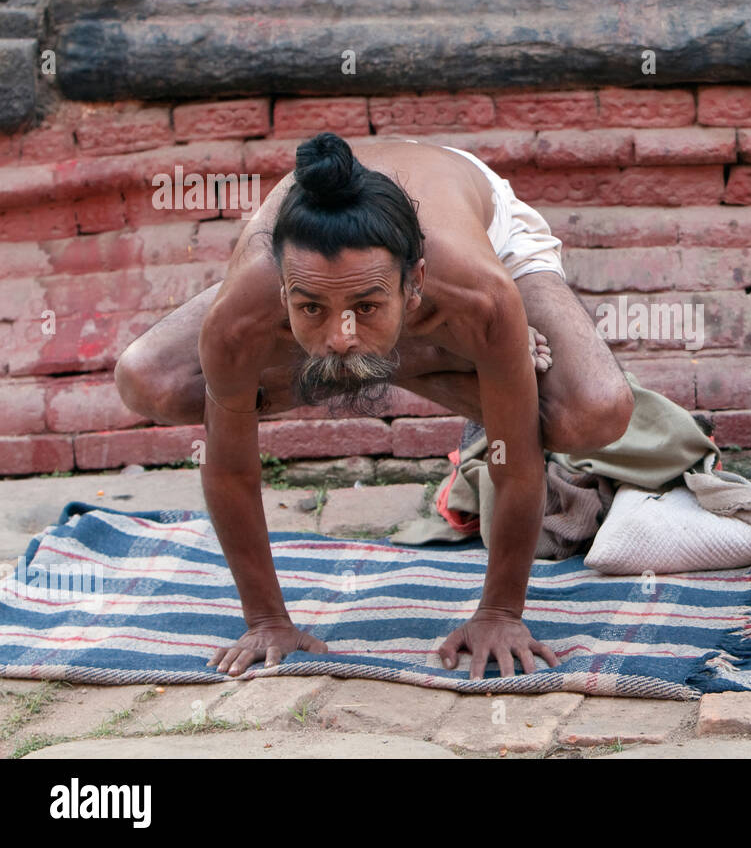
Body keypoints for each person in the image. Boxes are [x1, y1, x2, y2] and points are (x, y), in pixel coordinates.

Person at [115, 133, 636, 676]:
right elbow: (229, 472)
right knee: (150, 379)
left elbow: (513, 461)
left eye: (366, 306)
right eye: (311, 307)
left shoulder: (479, 292)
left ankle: (430, 355)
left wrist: (501, 613)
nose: (340, 335)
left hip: (473, 231)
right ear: (282, 290)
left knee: (594, 411)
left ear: (416, 286)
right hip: (352, 275)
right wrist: (267, 620)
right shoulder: (245, 311)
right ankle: (431, 358)